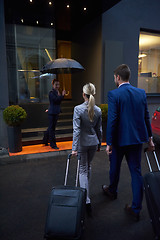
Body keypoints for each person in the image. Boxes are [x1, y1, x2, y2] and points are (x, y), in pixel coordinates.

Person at [102, 64, 155, 221]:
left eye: (114, 77)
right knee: (136, 173)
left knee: (114, 168)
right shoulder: (141, 93)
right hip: (137, 140)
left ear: (118, 77)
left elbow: (112, 120)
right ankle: (136, 209)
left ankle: (112, 191)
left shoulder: (114, 94)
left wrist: (109, 143)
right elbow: (147, 117)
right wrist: (150, 139)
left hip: (119, 141)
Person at [72, 83, 102, 216]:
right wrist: (99, 144)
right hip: (93, 142)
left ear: (83, 94)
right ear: (93, 94)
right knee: (87, 167)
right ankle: (86, 192)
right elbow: (99, 130)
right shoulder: (98, 110)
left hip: (83, 144)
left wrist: (74, 148)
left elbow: (76, 130)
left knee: (82, 170)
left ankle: (86, 199)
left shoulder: (78, 109)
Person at [43, 79, 66, 149]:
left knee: (51, 127)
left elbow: (57, 101)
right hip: (52, 112)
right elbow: (55, 100)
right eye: (56, 85)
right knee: (52, 129)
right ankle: (52, 144)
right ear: (53, 85)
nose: (57, 86)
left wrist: (61, 95)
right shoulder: (51, 92)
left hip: (55, 111)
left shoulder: (57, 92)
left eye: (58, 84)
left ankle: (45, 140)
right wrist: (62, 95)